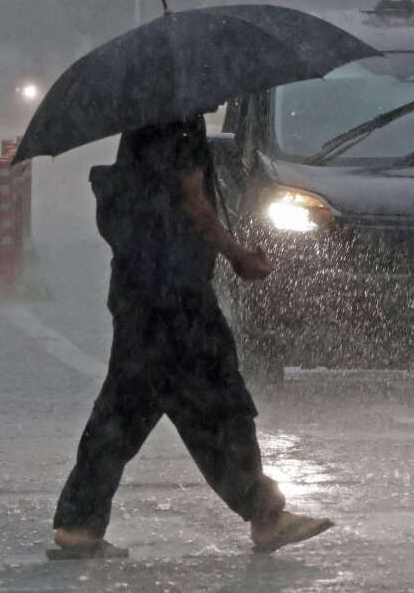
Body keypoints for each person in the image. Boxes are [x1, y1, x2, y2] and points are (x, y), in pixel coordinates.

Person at [49, 117, 332, 559]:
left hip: (136, 291)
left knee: (124, 410)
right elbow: (195, 205)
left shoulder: (144, 122)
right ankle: (266, 515)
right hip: (177, 298)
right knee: (222, 403)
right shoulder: (180, 125)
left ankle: (79, 523)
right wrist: (239, 257)